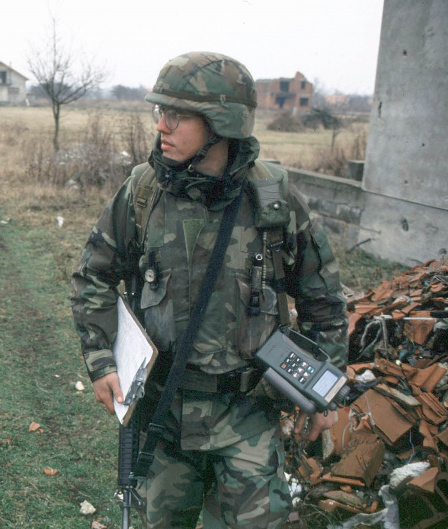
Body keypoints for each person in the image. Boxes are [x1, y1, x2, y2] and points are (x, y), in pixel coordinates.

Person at [71, 52, 348, 528]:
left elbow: (323, 301)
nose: (162, 126)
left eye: (176, 115)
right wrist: (100, 361)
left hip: (249, 415)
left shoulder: (275, 199)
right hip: (163, 414)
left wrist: (324, 392)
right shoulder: (143, 190)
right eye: (159, 112)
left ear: (222, 123)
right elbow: (92, 275)